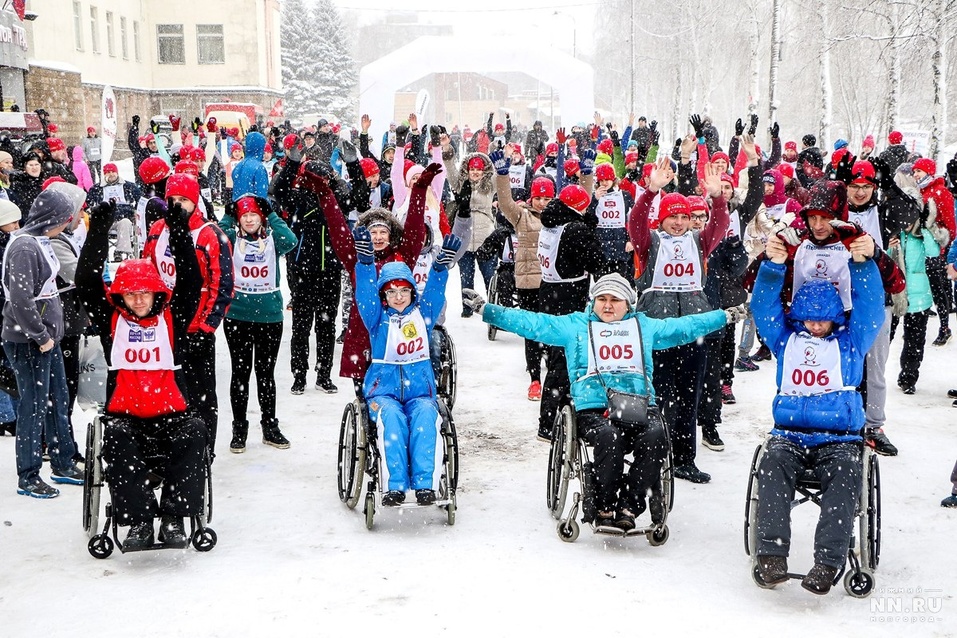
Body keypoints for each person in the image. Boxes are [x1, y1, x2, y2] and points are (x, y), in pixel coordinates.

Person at [466, 273, 745, 529]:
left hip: (638, 405)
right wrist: (487, 310)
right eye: (602, 299)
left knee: (656, 434)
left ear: (628, 304)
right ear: (593, 301)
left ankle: (630, 505)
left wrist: (725, 316)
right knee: (609, 437)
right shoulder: (575, 326)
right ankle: (605, 505)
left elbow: (686, 326)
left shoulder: (642, 326)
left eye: (615, 300)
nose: (608, 306)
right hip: (594, 409)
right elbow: (532, 323)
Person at [750, 229, 883, 595]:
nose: (815, 326)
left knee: (844, 475)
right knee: (773, 467)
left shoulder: (851, 342)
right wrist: (774, 268)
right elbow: (762, 307)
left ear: (834, 317)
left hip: (838, 438)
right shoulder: (786, 340)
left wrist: (863, 265)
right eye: (808, 319)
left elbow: (871, 307)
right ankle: (772, 555)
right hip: (789, 433)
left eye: (822, 320)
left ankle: (827, 561)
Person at [76, 193, 207, 550]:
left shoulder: (173, 319)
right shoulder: (111, 321)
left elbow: (192, 282)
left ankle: (173, 518)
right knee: (116, 439)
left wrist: (179, 231)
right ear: (120, 296)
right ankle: (137, 522)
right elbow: (87, 281)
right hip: (126, 416)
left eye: (144, 293)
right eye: (130, 293)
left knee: (196, 431)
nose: (137, 299)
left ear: (156, 295)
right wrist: (99, 228)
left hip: (172, 413)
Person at [353, 227, 461, 506]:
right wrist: (365, 265)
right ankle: (395, 485)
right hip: (383, 393)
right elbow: (364, 294)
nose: (398, 297)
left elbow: (435, 294)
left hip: (419, 393)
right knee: (393, 420)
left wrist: (439, 268)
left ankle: (426, 484)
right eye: (392, 292)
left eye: (404, 291)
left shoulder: (422, 315)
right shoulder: (377, 319)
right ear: (384, 296)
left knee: (426, 417)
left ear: (412, 292)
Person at [3, 189, 84, 498]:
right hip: (29, 340)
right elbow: (21, 299)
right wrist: (41, 336)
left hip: (46, 338)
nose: (66, 225)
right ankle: (28, 473)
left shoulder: (41, 241)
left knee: (56, 400)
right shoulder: (24, 246)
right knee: (33, 406)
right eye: (63, 220)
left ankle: (63, 461)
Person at [142, 174, 234, 450]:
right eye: (174, 200)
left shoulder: (210, 235)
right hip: (162, 325)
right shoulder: (159, 228)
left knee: (201, 394)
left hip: (196, 327)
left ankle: (204, 449)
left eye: (184, 200)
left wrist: (206, 327)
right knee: (166, 389)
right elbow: (148, 268)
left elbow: (223, 285)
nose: (178, 205)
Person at [218, 195, 297, 452]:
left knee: (266, 374)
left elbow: (291, 240)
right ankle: (239, 428)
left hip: (269, 315)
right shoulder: (231, 238)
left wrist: (272, 213)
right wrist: (230, 214)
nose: (249, 219)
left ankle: (269, 426)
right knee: (240, 374)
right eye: (244, 215)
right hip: (238, 315)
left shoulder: (273, 238)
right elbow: (217, 237)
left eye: (254, 215)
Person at [85, 162, 141, 261]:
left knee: (125, 223)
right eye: (108, 172)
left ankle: (120, 251)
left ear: (117, 172)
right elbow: (88, 202)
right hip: (104, 219)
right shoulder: (96, 188)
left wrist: (136, 210)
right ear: (104, 174)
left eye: (113, 172)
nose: (111, 174)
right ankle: (101, 252)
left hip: (122, 218)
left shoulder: (129, 186)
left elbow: (140, 199)